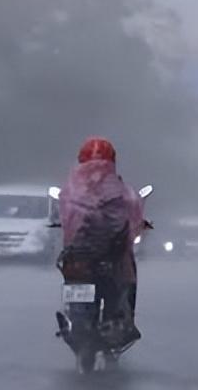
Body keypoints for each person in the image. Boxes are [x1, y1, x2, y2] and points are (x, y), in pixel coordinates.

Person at [58, 137, 146, 345]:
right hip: (111, 254)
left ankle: (82, 317)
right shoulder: (119, 187)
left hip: (78, 253)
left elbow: (64, 215)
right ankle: (122, 321)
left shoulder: (72, 188)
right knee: (127, 278)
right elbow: (133, 215)